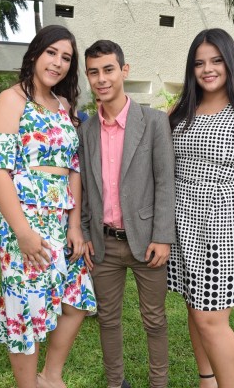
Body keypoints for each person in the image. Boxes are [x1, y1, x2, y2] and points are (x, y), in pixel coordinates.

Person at [0, 24, 96, 388]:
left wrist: (74, 226)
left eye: (66, 57)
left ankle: (50, 377)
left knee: (76, 298)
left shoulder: (65, 105)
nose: (58, 62)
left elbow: (74, 168)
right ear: (35, 53)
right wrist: (21, 231)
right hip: (23, 217)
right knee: (25, 306)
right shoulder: (11, 99)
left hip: (59, 218)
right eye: (52, 52)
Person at [167, 28, 234, 388]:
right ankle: (206, 380)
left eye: (216, 60)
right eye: (199, 62)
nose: (207, 69)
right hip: (184, 219)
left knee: (211, 319)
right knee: (194, 307)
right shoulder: (181, 108)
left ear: (230, 62)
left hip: (225, 222)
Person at [78, 40, 175, 388]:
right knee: (108, 319)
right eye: (94, 72)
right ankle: (115, 382)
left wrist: (162, 237)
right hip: (104, 245)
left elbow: (165, 182)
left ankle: (158, 383)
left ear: (124, 70)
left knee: (154, 319)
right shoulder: (86, 130)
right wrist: (87, 235)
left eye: (108, 69)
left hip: (148, 242)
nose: (101, 79)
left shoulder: (153, 122)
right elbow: (86, 187)